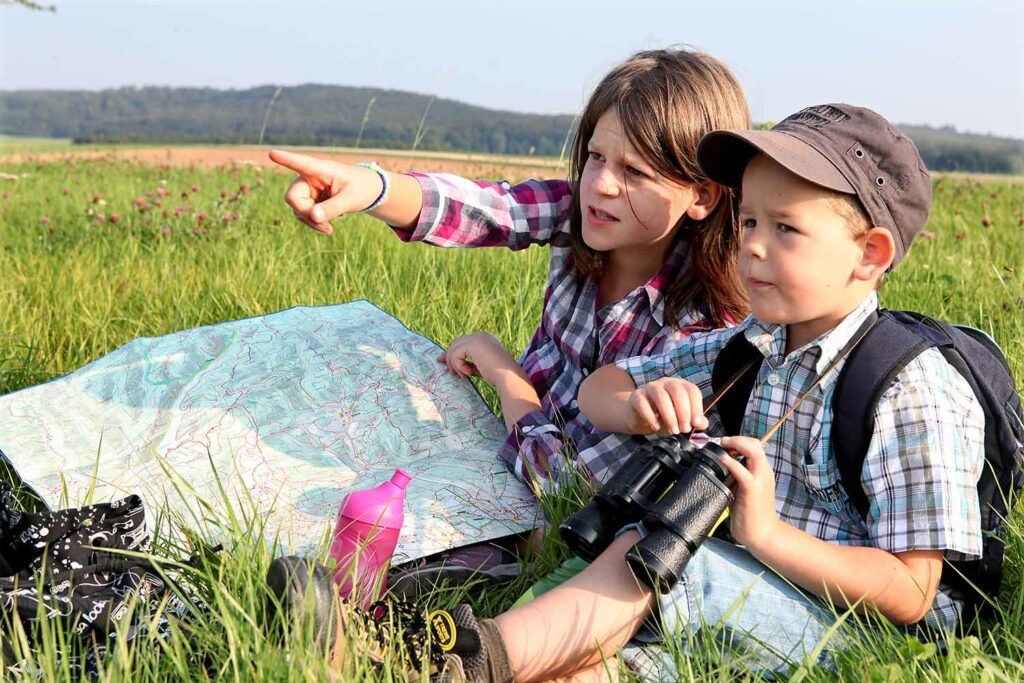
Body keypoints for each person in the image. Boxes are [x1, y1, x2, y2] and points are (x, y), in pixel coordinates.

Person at [319, 103, 979, 682]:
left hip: (859, 635)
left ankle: (441, 662)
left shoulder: (909, 387)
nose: (752, 248)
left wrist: (769, 535)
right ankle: (425, 659)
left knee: (659, 553)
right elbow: (606, 386)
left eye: (786, 229)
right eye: (748, 222)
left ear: (869, 254)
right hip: (751, 589)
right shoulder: (753, 344)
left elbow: (913, 592)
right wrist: (639, 401)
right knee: (594, 654)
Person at [268, 48, 750, 499]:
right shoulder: (576, 216)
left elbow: (568, 491)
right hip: (501, 437)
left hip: (538, 502)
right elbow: (486, 209)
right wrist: (372, 187)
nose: (600, 184)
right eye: (597, 157)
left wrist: (505, 376)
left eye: (636, 172)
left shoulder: (701, 334)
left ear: (702, 195)